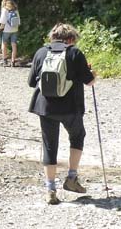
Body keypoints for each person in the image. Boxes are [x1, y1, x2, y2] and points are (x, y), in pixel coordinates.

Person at [27, 23, 96, 205]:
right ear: (71, 39)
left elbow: (31, 82)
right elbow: (89, 81)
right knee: (77, 136)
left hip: (45, 107)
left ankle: (50, 189)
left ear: (53, 37)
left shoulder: (41, 53)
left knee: (50, 145)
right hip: (70, 108)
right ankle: (71, 178)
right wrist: (92, 73)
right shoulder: (74, 53)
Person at [0, 0, 20, 67]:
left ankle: (5, 61)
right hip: (15, 29)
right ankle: (13, 62)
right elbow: (18, 21)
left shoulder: (5, 9)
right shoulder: (15, 9)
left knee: (4, 44)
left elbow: (3, 22)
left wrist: (0, 29)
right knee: (14, 45)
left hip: (6, 30)